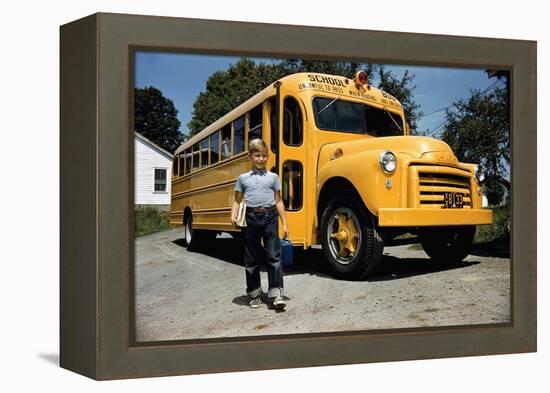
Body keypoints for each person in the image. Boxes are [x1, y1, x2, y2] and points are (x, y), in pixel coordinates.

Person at [231, 139, 289, 310]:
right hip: (251, 218)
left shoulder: (273, 177)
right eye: (257, 156)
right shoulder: (243, 179)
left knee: (274, 256)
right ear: (250, 156)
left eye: (264, 156)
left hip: (270, 217)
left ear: (268, 157)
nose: (261, 159)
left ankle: (277, 294)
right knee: (252, 258)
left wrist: (284, 223)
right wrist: (233, 215)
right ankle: (255, 294)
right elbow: (237, 200)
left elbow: (278, 201)